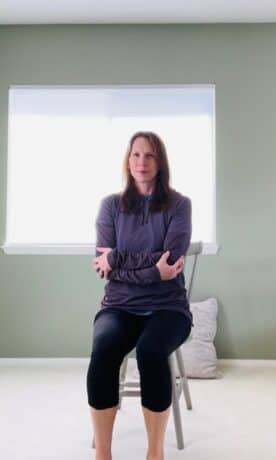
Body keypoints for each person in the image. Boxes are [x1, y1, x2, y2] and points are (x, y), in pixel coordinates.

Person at [86, 131, 193, 460]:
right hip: (119, 306)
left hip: (168, 307)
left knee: (150, 351)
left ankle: (154, 452)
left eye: (149, 156)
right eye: (136, 155)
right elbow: (105, 266)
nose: (141, 162)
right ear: (127, 159)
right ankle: (103, 453)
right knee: (103, 349)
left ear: (160, 162)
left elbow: (170, 261)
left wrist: (117, 260)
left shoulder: (179, 205)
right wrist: (150, 270)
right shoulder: (110, 206)